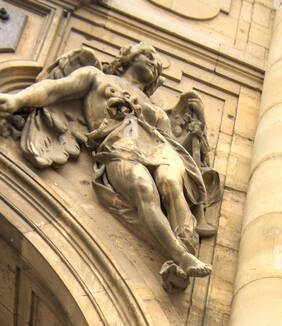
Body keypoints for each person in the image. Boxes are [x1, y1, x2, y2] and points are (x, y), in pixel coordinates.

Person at [0, 43, 216, 289]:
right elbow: (52, 90)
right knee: (143, 190)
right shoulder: (95, 77)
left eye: (156, 62)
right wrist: (17, 99)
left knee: (170, 181)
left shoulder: (157, 111)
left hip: (159, 148)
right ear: (126, 57)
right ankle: (178, 253)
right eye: (146, 54)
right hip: (119, 145)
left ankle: (184, 248)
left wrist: (194, 135)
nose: (152, 61)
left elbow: (171, 140)